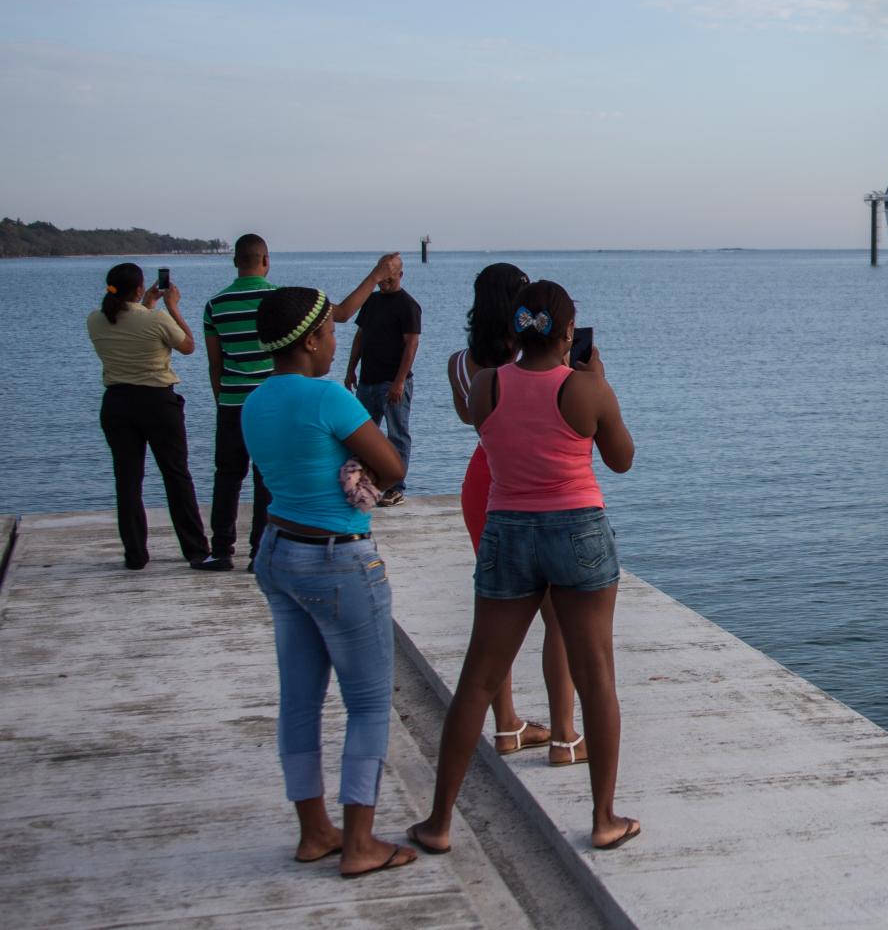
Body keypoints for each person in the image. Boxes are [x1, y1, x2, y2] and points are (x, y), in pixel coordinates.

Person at [409, 280, 640, 855]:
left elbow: (484, 426)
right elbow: (622, 460)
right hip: (577, 531)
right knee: (596, 680)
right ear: (568, 333)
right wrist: (597, 381)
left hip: (507, 530)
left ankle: (439, 822)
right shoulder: (586, 390)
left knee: (478, 677)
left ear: (517, 328)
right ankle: (604, 818)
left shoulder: (487, 385)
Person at [242, 286, 418, 878]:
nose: (337, 341)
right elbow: (393, 466)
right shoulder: (329, 399)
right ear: (313, 339)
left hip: (278, 551)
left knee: (299, 698)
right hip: (337, 558)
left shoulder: (254, 401)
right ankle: (362, 843)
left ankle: (315, 831)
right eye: (332, 332)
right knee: (368, 703)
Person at [444, 263, 580, 764]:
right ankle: (566, 735)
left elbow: (474, 418)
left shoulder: (462, 363)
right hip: (532, 482)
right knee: (558, 617)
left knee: (496, 614)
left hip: (484, 478)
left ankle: (507, 727)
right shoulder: (532, 361)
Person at [204, 236, 399, 569]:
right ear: (265, 259)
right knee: (267, 480)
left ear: (236, 261)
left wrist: (222, 399)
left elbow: (214, 363)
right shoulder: (286, 303)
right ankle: (258, 548)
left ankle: (221, 549)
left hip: (237, 400)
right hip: (288, 400)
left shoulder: (216, 304)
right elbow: (343, 313)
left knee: (227, 474)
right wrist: (377, 275)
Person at [86, 263, 208, 570]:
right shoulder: (157, 319)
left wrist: (148, 304)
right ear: (140, 288)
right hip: (157, 403)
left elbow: (129, 322)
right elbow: (188, 346)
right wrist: (171, 306)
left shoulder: (96, 320)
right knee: (176, 475)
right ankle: (195, 550)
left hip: (117, 403)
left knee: (127, 480)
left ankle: (135, 555)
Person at [344, 255, 421, 506]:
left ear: (400, 275)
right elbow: (360, 336)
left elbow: (411, 345)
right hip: (367, 380)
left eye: (390, 277)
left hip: (393, 381)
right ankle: (359, 484)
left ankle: (396, 488)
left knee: (397, 434)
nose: (384, 283)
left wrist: (399, 382)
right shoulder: (371, 301)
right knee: (360, 434)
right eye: (381, 277)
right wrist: (351, 369)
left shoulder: (409, 305)